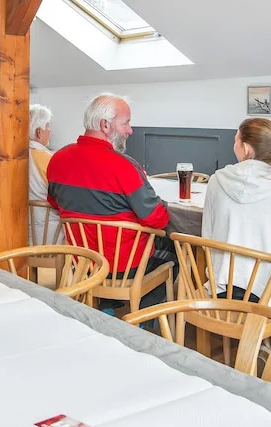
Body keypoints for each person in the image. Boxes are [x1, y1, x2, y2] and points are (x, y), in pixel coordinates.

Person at [46, 93, 174, 309]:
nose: (130, 130)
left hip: (83, 263)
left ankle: (106, 309)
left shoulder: (57, 159)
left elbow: (54, 203)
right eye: (126, 123)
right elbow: (157, 219)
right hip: (123, 268)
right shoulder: (125, 166)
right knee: (173, 251)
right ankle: (140, 319)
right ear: (105, 125)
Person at [201, 118, 271, 314]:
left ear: (246, 148)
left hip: (222, 288)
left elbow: (207, 241)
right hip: (269, 297)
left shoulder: (217, 180)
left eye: (236, 141)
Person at [28, 104, 60, 245]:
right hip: (49, 230)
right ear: (39, 132)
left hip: (24, 225)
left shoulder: (18, 157)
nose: (50, 131)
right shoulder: (48, 159)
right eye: (48, 126)